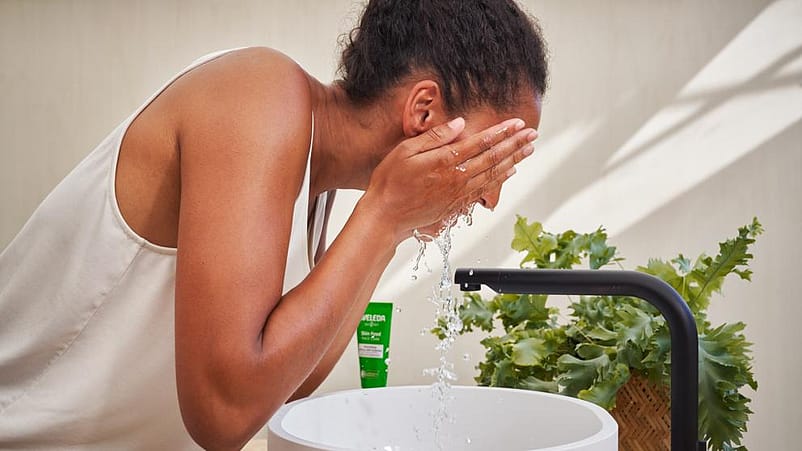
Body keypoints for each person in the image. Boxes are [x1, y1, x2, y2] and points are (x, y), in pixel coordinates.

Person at [0, 0, 547, 449]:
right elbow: (223, 415)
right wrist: (384, 216)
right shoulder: (257, 94)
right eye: (496, 152)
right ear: (424, 111)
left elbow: (286, 384)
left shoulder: (320, 189)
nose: (493, 195)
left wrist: (392, 223)